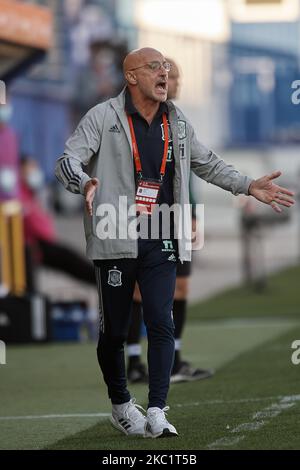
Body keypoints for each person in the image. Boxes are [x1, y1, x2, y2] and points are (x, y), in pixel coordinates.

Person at [55, 47, 294, 438]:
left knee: (161, 323)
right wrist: (84, 183)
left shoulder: (178, 122)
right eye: (155, 67)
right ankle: (120, 404)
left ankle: (157, 409)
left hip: (163, 234)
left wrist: (249, 186)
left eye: (166, 66)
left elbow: (209, 163)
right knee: (113, 331)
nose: (164, 72)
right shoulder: (102, 117)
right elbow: (67, 160)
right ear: (131, 76)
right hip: (115, 234)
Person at [126, 58, 214, 384]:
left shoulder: (179, 122)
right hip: (147, 215)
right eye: (167, 76)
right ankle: (134, 359)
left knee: (182, 284)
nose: (172, 82)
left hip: (180, 215)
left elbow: (193, 172)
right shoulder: (137, 119)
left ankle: (174, 360)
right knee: (138, 289)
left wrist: (191, 212)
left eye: (175, 76)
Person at [19, 156, 96, 291]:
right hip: (33, 246)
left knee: (72, 261)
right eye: (31, 168)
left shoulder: (33, 194)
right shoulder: (17, 194)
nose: (34, 171)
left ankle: (99, 279)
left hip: (43, 243)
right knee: (70, 260)